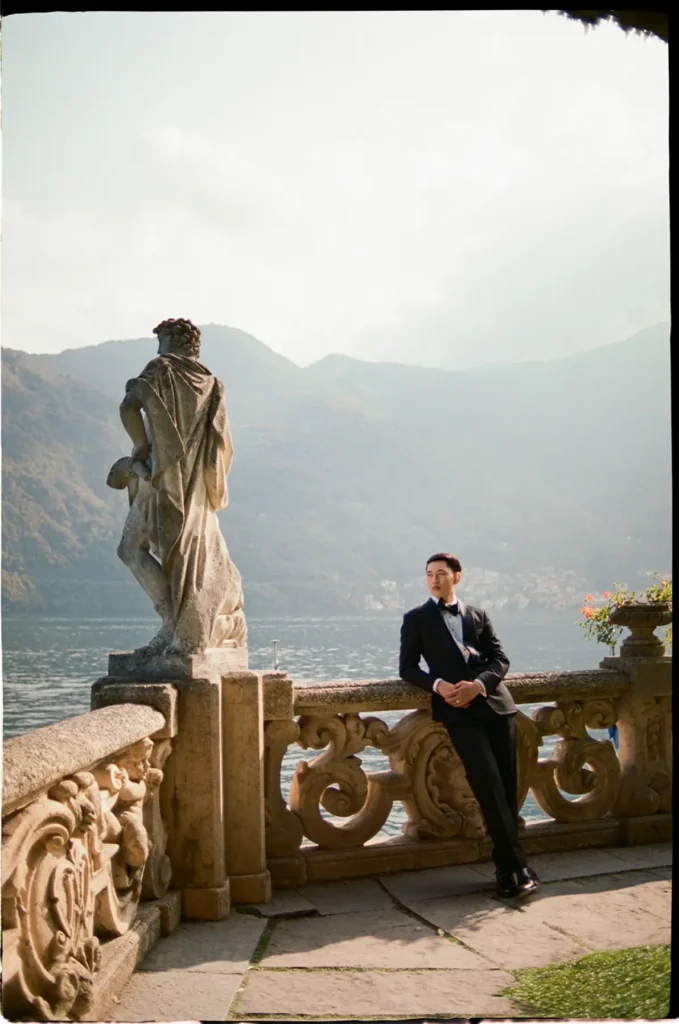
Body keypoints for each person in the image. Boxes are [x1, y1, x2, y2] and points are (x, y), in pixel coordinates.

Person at [399, 552, 539, 899]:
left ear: (456, 577)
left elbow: (500, 659)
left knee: (506, 789)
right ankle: (517, 868)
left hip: (497, 707)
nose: (434, 579)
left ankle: (506, 869)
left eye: (441, 573)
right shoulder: (416, 618)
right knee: (487, 784)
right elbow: (407, 668)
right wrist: (438, 685)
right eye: (429, 574)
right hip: (458, 713)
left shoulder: (478, 615)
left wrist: (480, 685)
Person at [109, 317, 246, 656]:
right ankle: (176, 624)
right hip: (196, 488)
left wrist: (141, 448)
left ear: (171, 342)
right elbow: (223, 447)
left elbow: (129, 406)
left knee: (132, 549)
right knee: (182, 557)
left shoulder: (162, 369)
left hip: (161, 477)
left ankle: (171, 621)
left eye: (161, 341)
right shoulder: (212, 384)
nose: (158, 348)